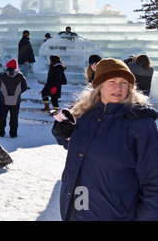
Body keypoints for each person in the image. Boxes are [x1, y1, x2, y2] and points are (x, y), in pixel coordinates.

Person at [52, 58, 158, 220]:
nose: (119, 87)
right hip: (79, 207)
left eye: (124, 82)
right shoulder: (84, 113)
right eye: (112, 81)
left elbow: (153, 181)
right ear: (99, 85)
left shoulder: (141, 123)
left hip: (116, 215)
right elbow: (74, 145)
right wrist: (60, 131)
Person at [0, 58, 28, 138]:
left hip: (3, 100)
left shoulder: (2, 75)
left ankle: (1, 132)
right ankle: (13, 133)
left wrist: (3, 92)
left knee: (2, 116)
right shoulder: (20, 75)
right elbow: (24, 87)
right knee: (14, 117)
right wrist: (18, 93)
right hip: (15, 100)